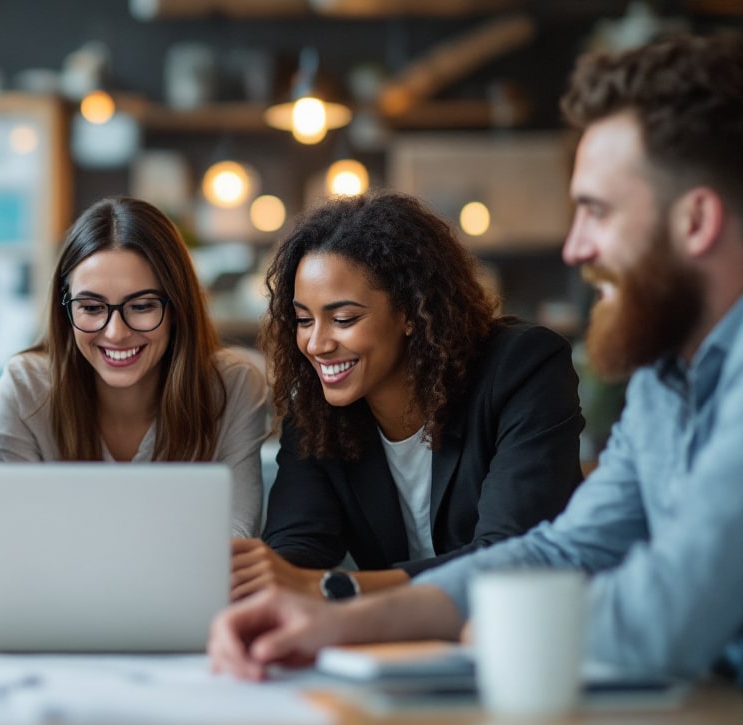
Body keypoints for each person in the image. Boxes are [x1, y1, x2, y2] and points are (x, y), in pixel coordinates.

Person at [210, 33, 743, 685]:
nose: (574, 249)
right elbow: (561, 550)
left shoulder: (529, 367)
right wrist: (332, 623)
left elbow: (664, 618)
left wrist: (493, 622)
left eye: (596, 212)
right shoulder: (667, 379)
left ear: (696, 221)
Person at [230, 192, 584, 602]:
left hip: (533, 628)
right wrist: (271, 582)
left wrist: (339, 587)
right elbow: (297, 548)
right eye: (304, 320)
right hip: (405, 643)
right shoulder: (318, 409)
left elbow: (509, 555)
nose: (316, 343)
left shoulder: (522, 367)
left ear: (412, 312)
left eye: (344, 319)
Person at [0, 196, 268, 537]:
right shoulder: (25, 388)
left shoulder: (234, 385)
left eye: (142, 306)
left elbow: (236, 543)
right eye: (91, 308)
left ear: (178, 307)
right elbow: (19, 542)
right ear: (66, 310)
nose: (116, 333)